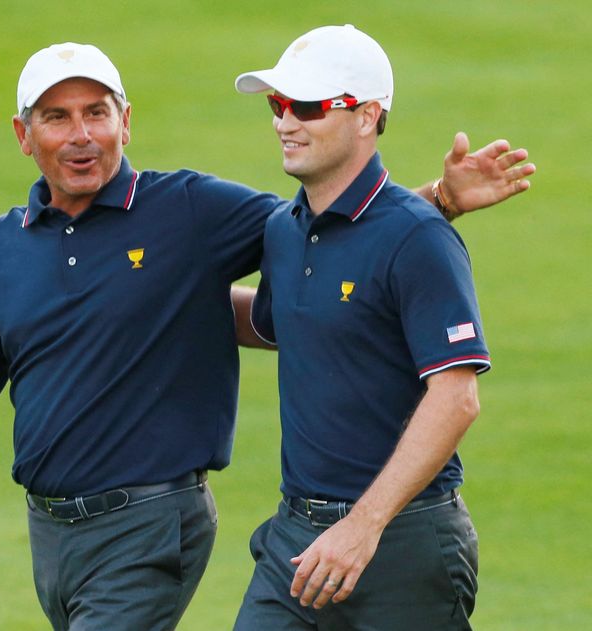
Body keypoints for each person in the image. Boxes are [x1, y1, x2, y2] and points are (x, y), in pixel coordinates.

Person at [0, 41, 533, 631]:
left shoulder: (194, 210)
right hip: (161, 534)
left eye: (97, 112)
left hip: (186, 526)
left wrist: (433, 205)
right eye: (58, 117)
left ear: (126, 121)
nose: (81, 134)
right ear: (23, 133)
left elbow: (357, 241)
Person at [232, 25, 514, 630]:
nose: (285, 122)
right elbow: (285, 323)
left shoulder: (420, 238)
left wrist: (362, 527)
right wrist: (145, 301)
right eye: (277, 105)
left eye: (307, 106)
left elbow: (457, 396)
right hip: (297, 540)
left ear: (366, 117)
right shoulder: (286, 229)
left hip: (402, 543)